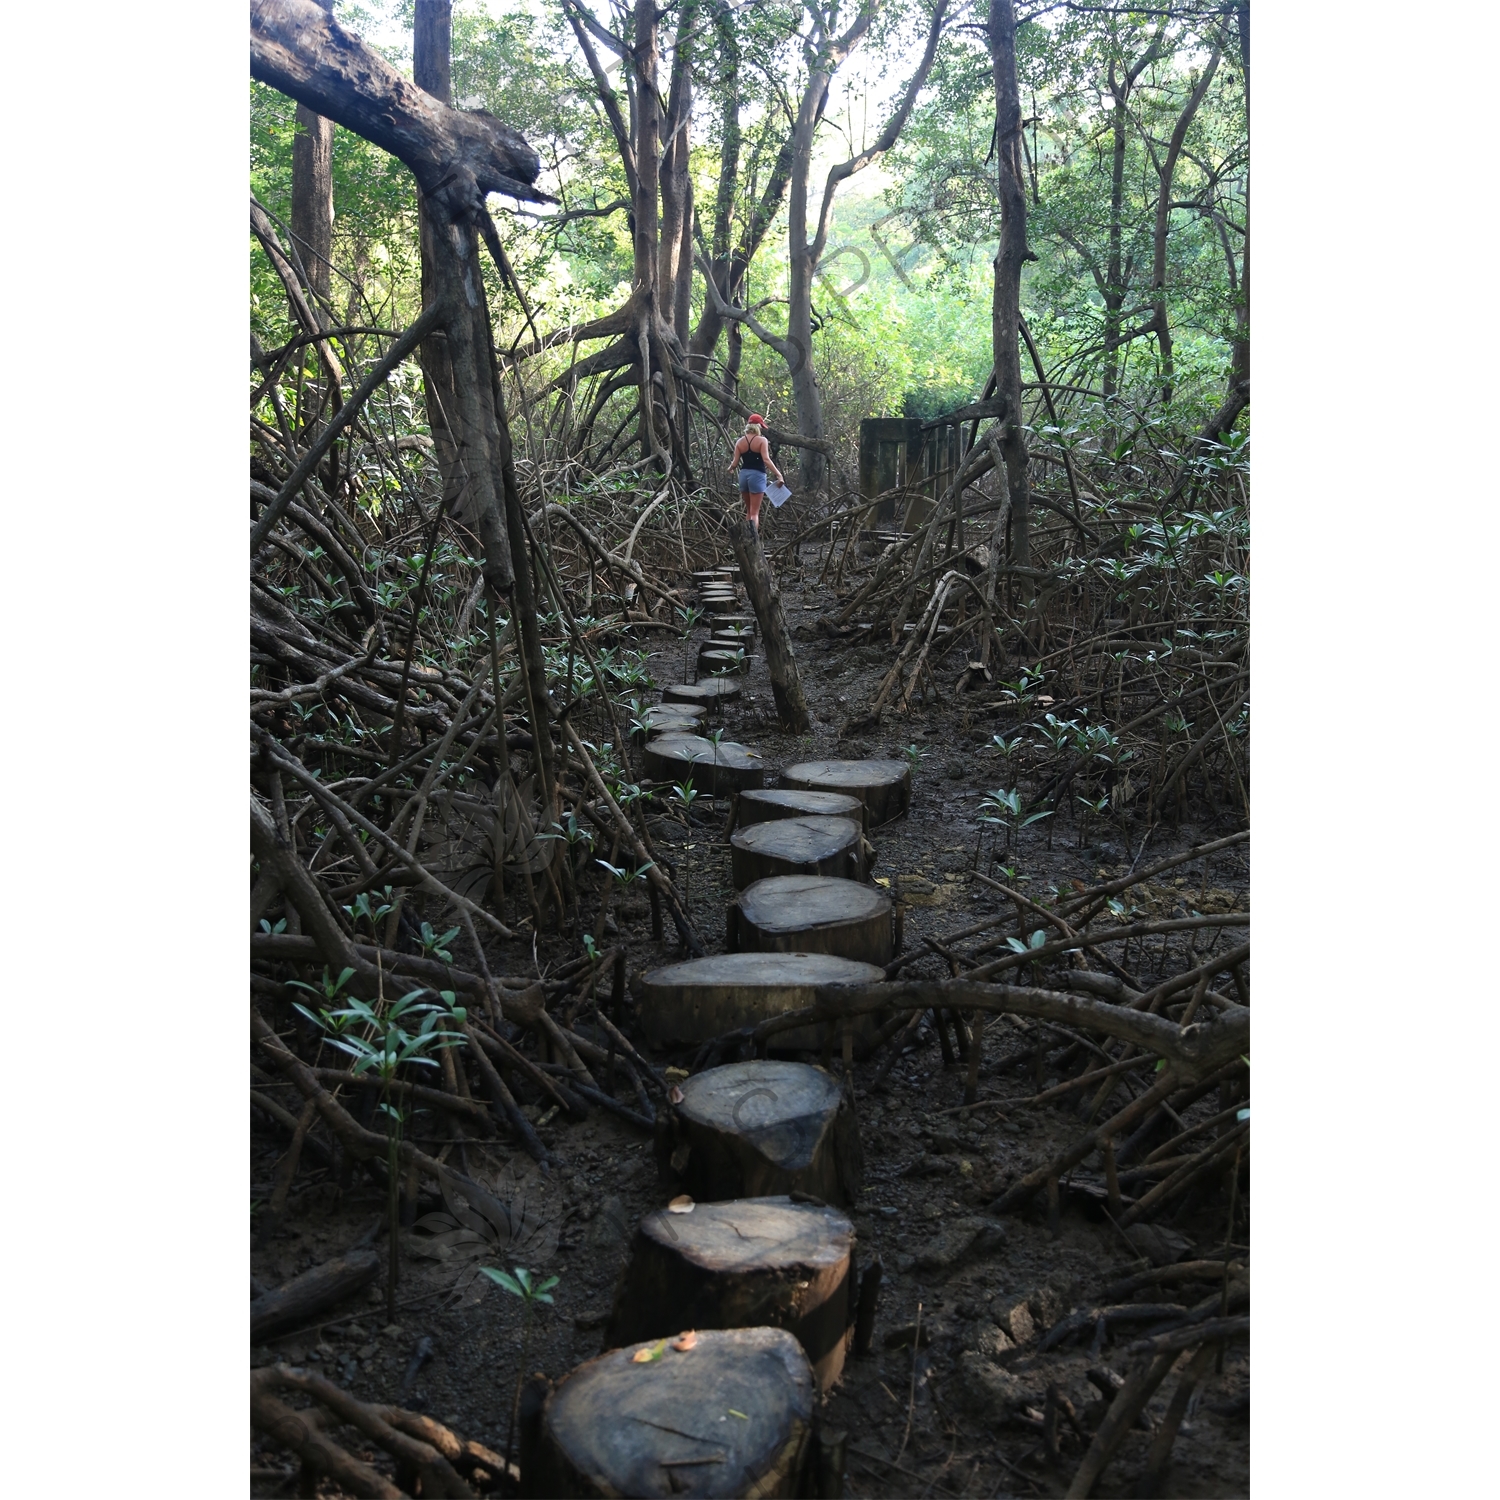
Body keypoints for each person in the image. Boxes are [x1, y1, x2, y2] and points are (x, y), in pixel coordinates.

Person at [725, 414, 784, 533]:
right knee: (754, 512)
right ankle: (753, 539)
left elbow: (735, 462)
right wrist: (779, 475)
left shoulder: (740, 442)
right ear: (758, 426)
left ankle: (747, 539)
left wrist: (730, 468)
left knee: (749, 511)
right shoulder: (762, 440)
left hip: (743, 476)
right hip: (757, 476)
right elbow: (766, 460)